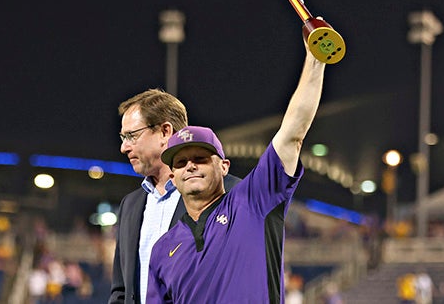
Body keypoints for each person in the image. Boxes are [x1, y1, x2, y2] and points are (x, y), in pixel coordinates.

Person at [146, 36, 327, 303]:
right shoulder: (162, 249)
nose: (191, 166)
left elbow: (292, 135)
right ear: (172, 176)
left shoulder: (253, 201)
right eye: (181, 163)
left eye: (201, 158)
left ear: (224, 166)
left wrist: (316, 59)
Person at [108, 89, 240, 304]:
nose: (124, 147)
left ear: (165, 131)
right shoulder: (130, 205)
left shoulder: (230, 194)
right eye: (123, 138)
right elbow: (121, 291)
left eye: (131, 135)